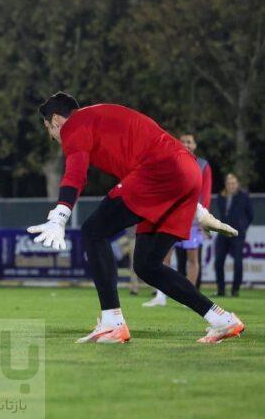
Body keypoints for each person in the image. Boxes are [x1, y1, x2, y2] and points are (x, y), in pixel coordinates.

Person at [28, 92, 243, 344]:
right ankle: (222, 320)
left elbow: (76, 174)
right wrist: (199, 210)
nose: (52, 136)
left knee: (93, 231)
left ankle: (112, 323)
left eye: (48, 128)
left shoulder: (74, 124)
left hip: (160, 171)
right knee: (147, 265)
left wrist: (60, 215)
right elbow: (155, 157)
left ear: (56, 119)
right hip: (185, 171)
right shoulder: (101, 120)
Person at [143, 132, 211, 306]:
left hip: (192, 219)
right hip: (171, 217)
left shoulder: (203, 165)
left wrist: (202, 217)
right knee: (164, 257)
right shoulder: (172, 162)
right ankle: (161, 296)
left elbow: (205, 193)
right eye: (183, 141)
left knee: (192, 259)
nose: (186, 144)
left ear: (195, 145)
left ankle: (190, 299)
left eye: (189, 141)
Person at [215, 173, 253, 297]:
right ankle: (221, 290)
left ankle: (235, 290)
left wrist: (243, 228)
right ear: (226, 185)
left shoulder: (244, 196)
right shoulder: (221, 196)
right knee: (218, 261)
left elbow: (250, 215)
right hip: (223, 233)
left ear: (237, 184)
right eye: (229, 183)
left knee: (238, 262)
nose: (231, 185)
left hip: (237, 234)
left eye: (233, 183)